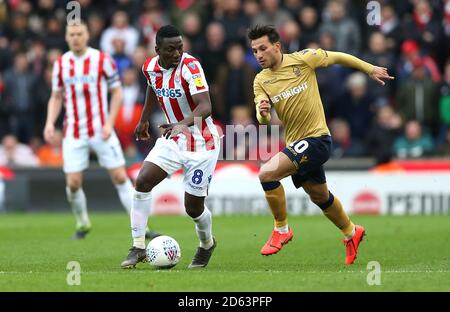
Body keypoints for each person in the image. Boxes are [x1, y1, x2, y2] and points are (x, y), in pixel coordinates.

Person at [248, 25, 394, 264]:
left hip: (317, 139)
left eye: (262, 48)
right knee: (319, 196)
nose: (259, 55)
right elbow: (262, 117)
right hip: (297, 144)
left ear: (277, 46)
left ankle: (282, 230)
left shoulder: (304, 59)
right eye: (254, 51)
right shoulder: (261, 80)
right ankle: (351, 231)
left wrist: (369, 69)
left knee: (266, 173)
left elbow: (337, 57)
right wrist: (263, 112)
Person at [44, 21, 159, 240]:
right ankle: (82, 223)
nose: (76, 37)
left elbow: (117, 92)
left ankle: (142, 227)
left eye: (80, 33)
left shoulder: (102, 60)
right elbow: (56, 96)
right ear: (67, 38)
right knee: (73, 183)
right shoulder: (61, 64)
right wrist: (50, 123)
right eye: (72, 34)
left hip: (101, 129)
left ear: (87, 35)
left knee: (119, 177)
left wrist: (109, 123)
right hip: (74, 132)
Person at [120, 25, 221, 269]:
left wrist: (181, 124)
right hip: (173, 139)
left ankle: (206, 244)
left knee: (193, 208)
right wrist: (144, 118)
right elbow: (153, 87)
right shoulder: (149, 67)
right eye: (170, 49)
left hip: (202, 143)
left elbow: (205, 106)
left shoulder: (191, 67)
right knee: (142, 181)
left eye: (180, 48)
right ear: (157, 50)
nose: (177, 54)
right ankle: (137, 247)